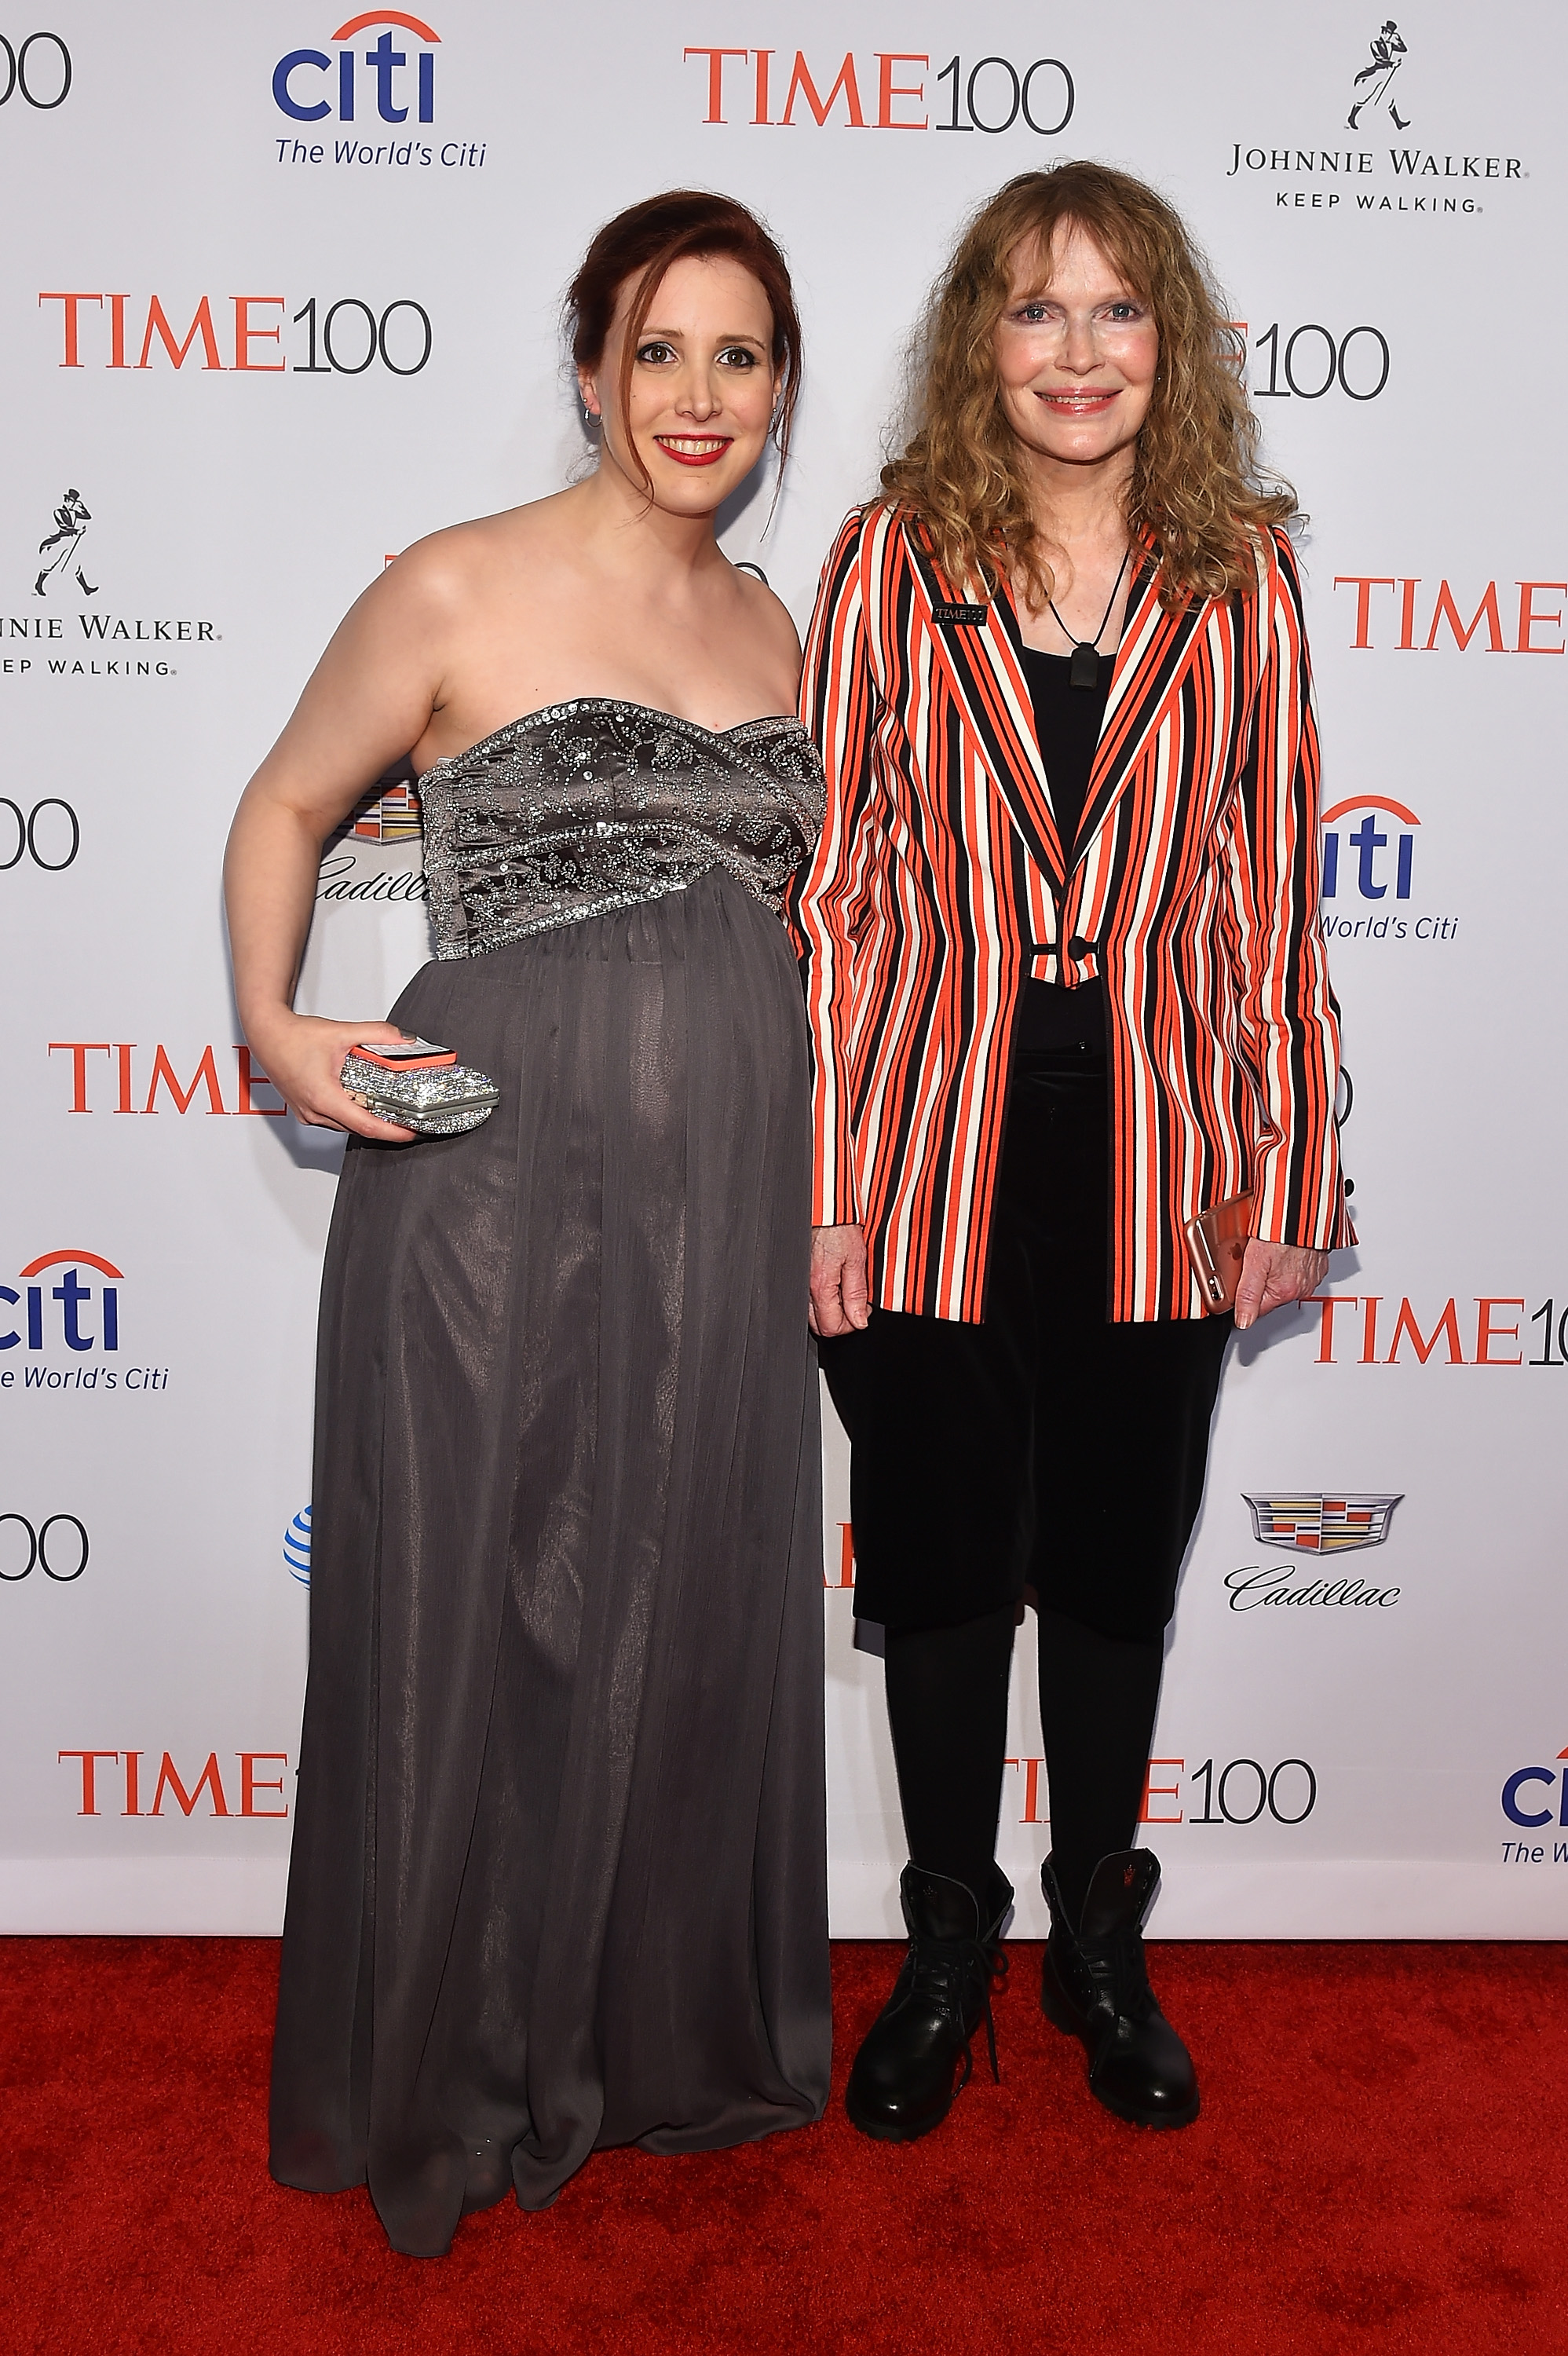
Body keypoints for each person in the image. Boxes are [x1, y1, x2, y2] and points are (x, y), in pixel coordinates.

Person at [225, 190, 831, 2257]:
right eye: (657, 349)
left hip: (725, 1205)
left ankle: (645, 2041)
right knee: (478, 1608)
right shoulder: (455, 581)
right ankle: (455, 2058)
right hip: (486, 1192)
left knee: (677, 1599)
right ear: (587, 369)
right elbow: (285, 804)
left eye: (738, 355)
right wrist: (274, 1025)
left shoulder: (784, 628)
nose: (696, 395)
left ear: (779, 390)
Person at [793, 163, 1348, 2144]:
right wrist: (830, 1179)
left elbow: (1273, 891)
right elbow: (838, 889)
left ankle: (1099, 1953)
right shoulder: (888, 558)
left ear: (1169, 343)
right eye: (1039, 310)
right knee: (946, 1570)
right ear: (982, 341)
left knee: (1114, 1569)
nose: (1081, 352)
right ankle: (946, 1953)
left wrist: (1290, 1162)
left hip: (1159, 1150)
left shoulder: (1241, 571)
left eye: (1120, 311)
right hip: (929, 1147)